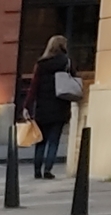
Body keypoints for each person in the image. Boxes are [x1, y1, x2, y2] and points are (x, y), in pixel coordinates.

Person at [27, 35, 75, 180]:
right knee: (54, 141)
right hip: (60, 107)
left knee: (40, 140)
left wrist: (27, 106)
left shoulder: (41, 64)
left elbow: (33, 87)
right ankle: (48, 169)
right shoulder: (66, 63)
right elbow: (73, 81)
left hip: (43, 108)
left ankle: (37, 170)